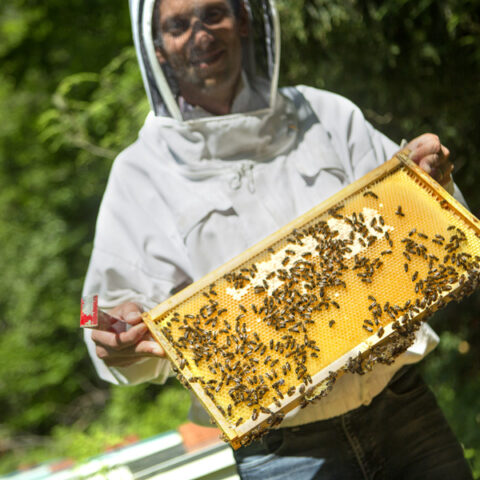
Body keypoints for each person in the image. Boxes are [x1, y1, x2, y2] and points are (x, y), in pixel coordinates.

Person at [83, 0, 473, 478]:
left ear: (245, 21)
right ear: (158, 48)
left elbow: (422, 228)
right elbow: (103, 320)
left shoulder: (323, 112)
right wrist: (111, 335)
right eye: (179, 25)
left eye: (212, 14)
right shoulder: (140, 173)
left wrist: (434, 185)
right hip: (283, 452)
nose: (200, 34)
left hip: (403, 406)